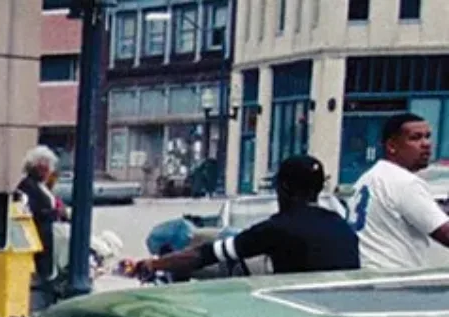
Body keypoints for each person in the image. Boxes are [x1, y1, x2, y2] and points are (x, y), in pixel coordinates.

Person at [129, 155, 359, 279]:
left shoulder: (277, 229)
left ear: (283, 187)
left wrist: (153, 263)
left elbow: (206, 255)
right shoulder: (342, 227)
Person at [349, 112, 449, 270]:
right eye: (415, 138)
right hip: (393, 281)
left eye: (427, 136)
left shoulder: (367, 178)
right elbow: (445, 233)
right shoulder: (404, 182)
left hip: (366, 276)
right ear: (391, 146)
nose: (426, 144)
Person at [16, 146, 69, 298]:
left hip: (50, 230)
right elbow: (31, 209)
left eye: (48, 168)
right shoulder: (27, 185)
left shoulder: (43, 186)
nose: (46, 172)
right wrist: (53, 213)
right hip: (40, 231)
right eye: (42, 167)